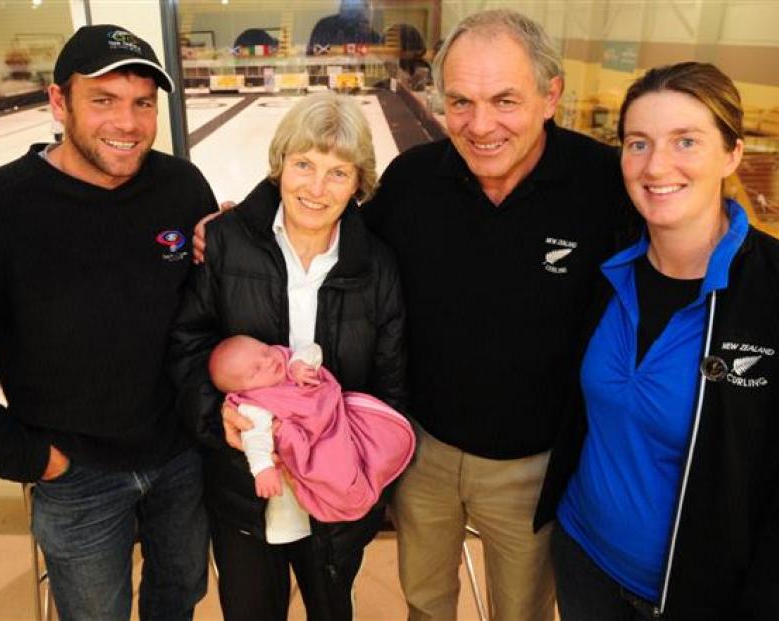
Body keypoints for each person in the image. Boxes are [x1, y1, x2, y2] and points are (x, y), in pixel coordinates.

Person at [0, 24, 215, 621]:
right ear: (58, 102)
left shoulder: (180, 186)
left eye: (142, 103)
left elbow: (207, 310)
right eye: (104, 100)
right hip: (77, 475)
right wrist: (26, 456)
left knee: (179, 599)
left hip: (180, 457)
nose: (128, 123)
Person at [359, 9, 634, 621]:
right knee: (425, 604)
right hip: (425, 452)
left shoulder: (603, 188)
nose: (480, 126)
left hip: (534, 467)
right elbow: (333, 244)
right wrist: (239, 225)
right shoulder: (414, 180)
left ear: (550, 95)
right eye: (461, 102)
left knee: (523, 613)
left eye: (505, 100)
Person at [535, 61, 779, 621]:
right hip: (582, 556)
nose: (656, 165)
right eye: (638, 144)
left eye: (685, 141)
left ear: (732, 153)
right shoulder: (606, 267)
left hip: (696, 591)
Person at [169, 91, 406, 621]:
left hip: (336, 497)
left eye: (338, 173)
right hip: (243, 485)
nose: (317, 189)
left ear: (359, 183)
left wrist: (366, 481)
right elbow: (187, 349)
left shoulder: (377, 266)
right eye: (304, 164)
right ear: (280, 165)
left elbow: (391, 386)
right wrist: (216, 418)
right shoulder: (226, 242)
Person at [208, 335, 414, 520]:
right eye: (256, 370)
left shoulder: (288, 360)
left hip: (336, 419)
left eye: (265, 350)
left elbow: (312, 349)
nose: (269, 361)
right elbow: (255, 437)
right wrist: (263, 468)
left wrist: (300, 363)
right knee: (336, 473)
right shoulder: (254, 406)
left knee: (368, 440)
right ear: (243, 390)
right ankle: (352, 494)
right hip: (313, 444)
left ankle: (373, 465)